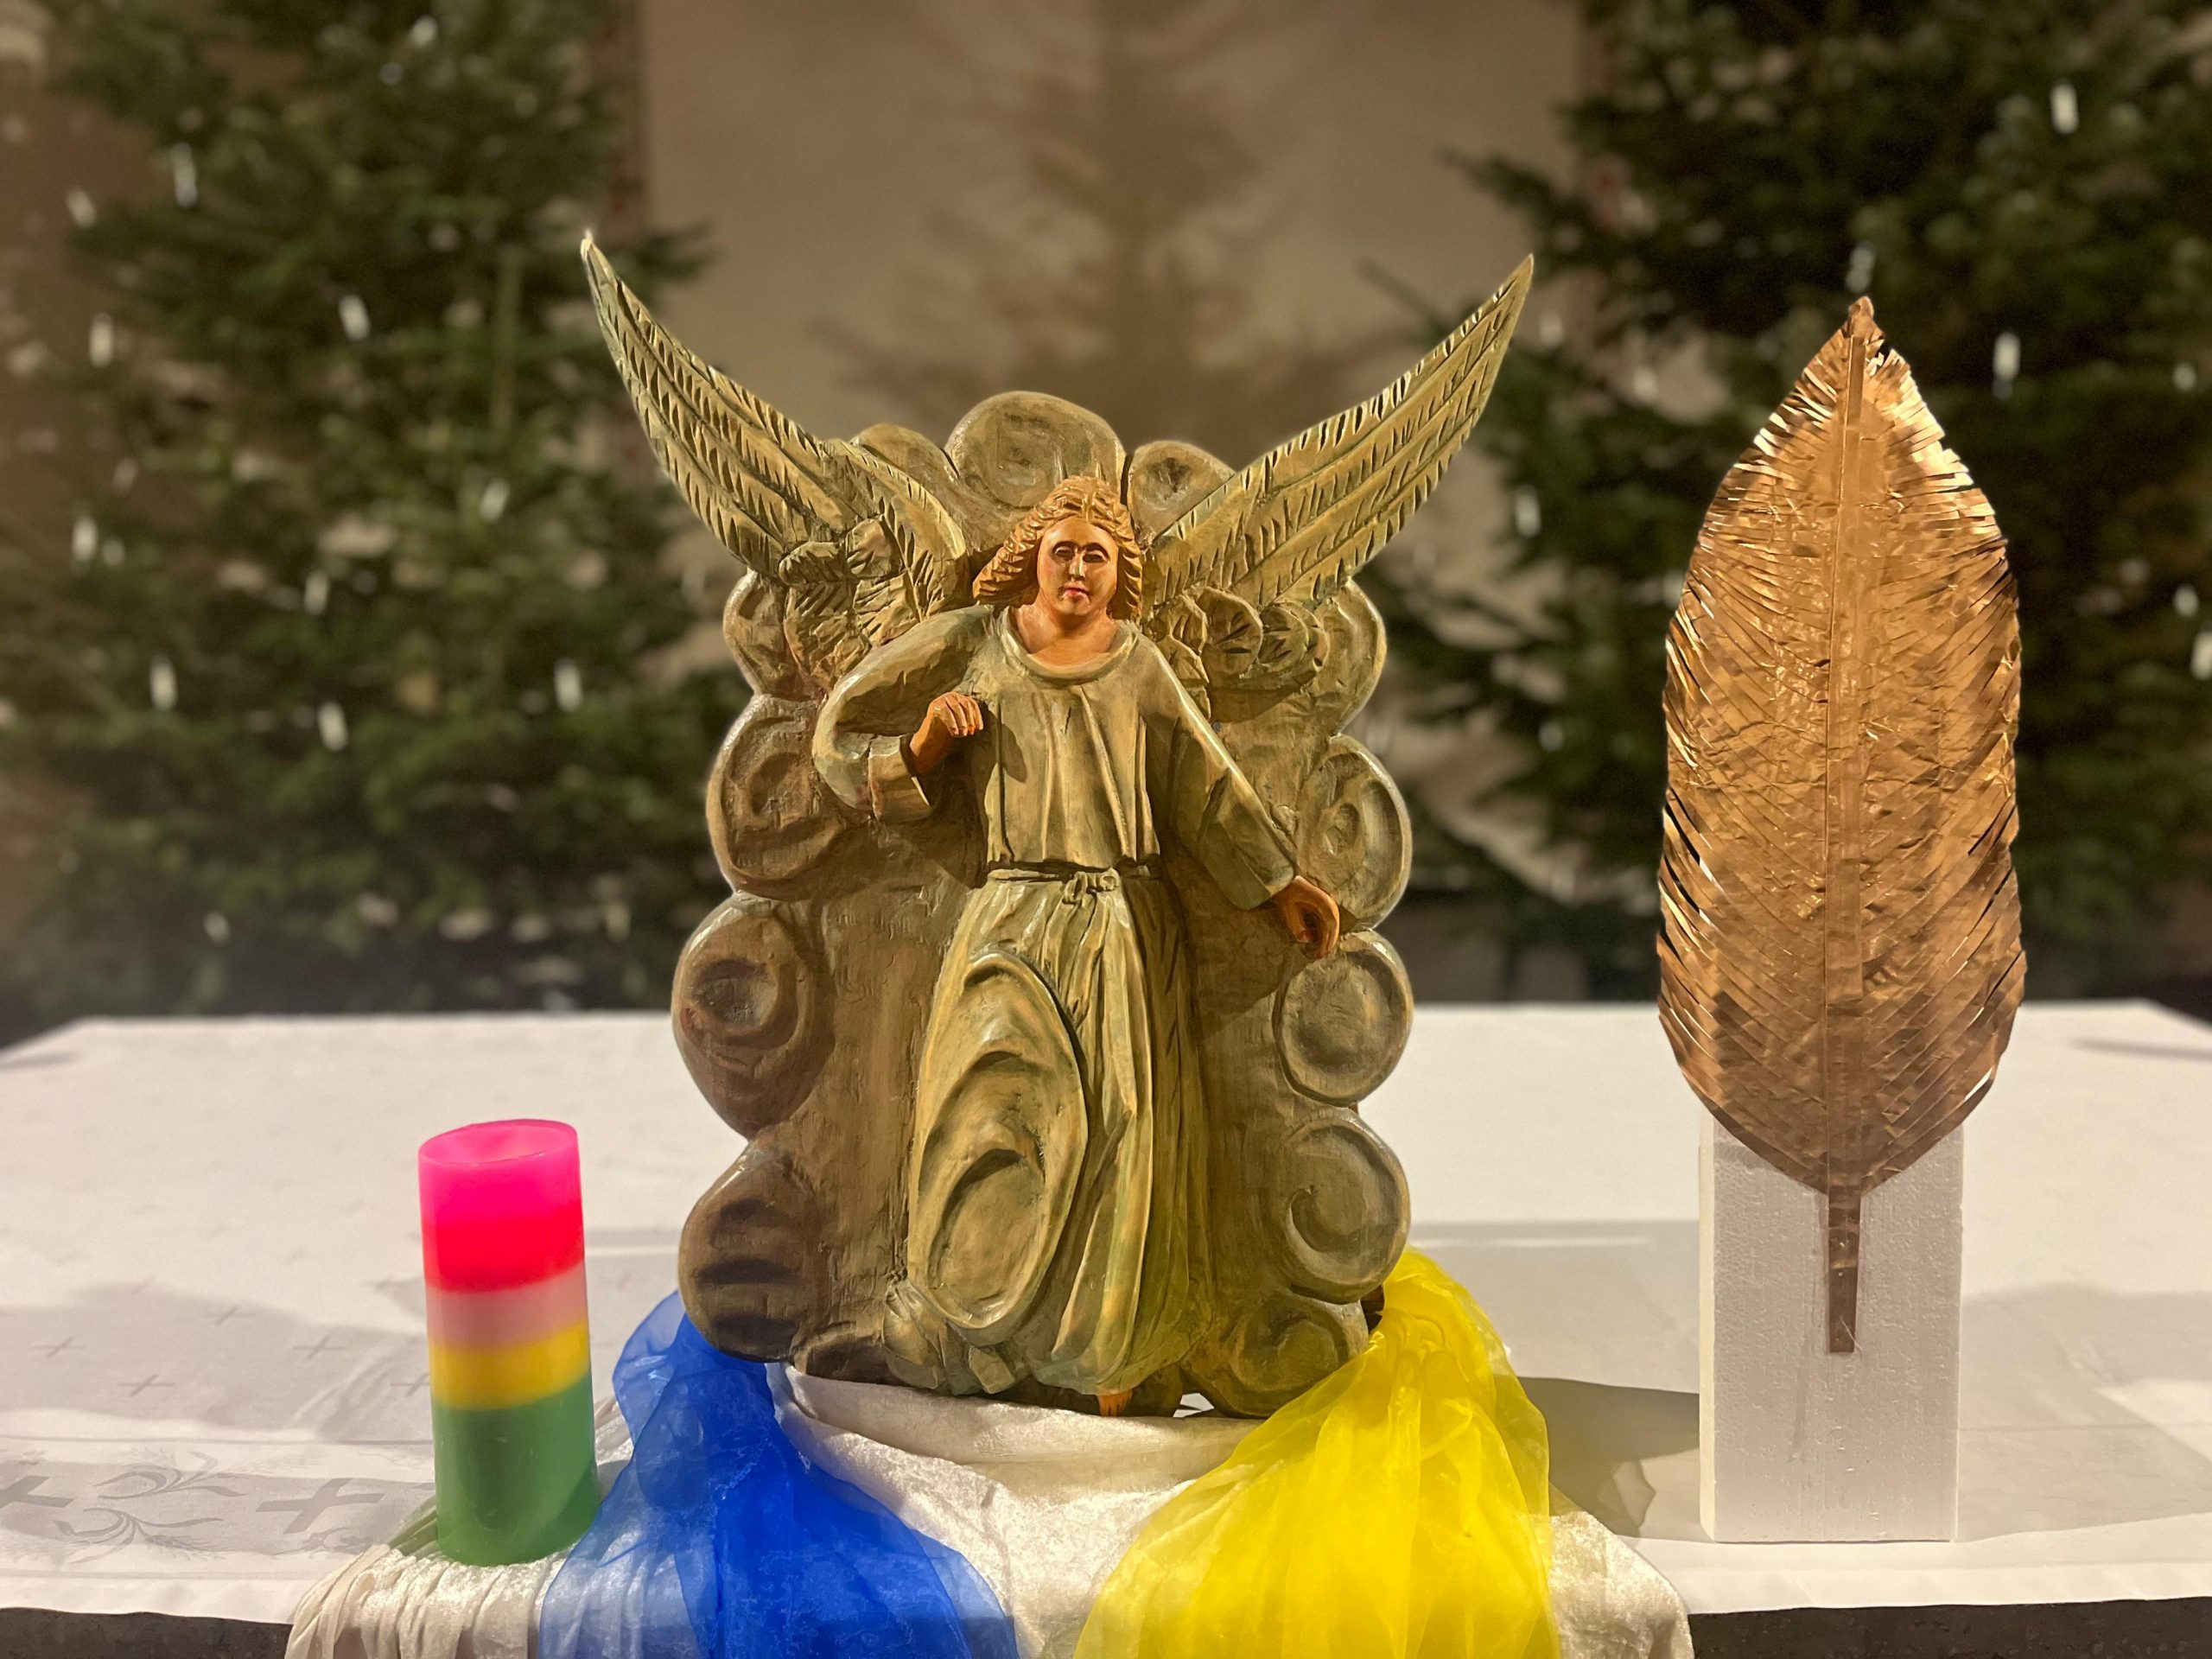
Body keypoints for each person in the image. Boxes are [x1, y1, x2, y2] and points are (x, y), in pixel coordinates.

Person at [814, 475, 1339, 1413]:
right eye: (1063, 550)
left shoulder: (1137, 664)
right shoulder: (971, 643)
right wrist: (922, 747)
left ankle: (1106, 1358)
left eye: (1098, 555)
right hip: (1010, 915)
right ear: (1031, 559)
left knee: (1118, 1129)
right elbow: (838, 734)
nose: (1078, 569)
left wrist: (1278, 882)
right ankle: (972, 1329)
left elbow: (1206, 785)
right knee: (983, 1114)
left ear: (1118, 572)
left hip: (1119, 924)